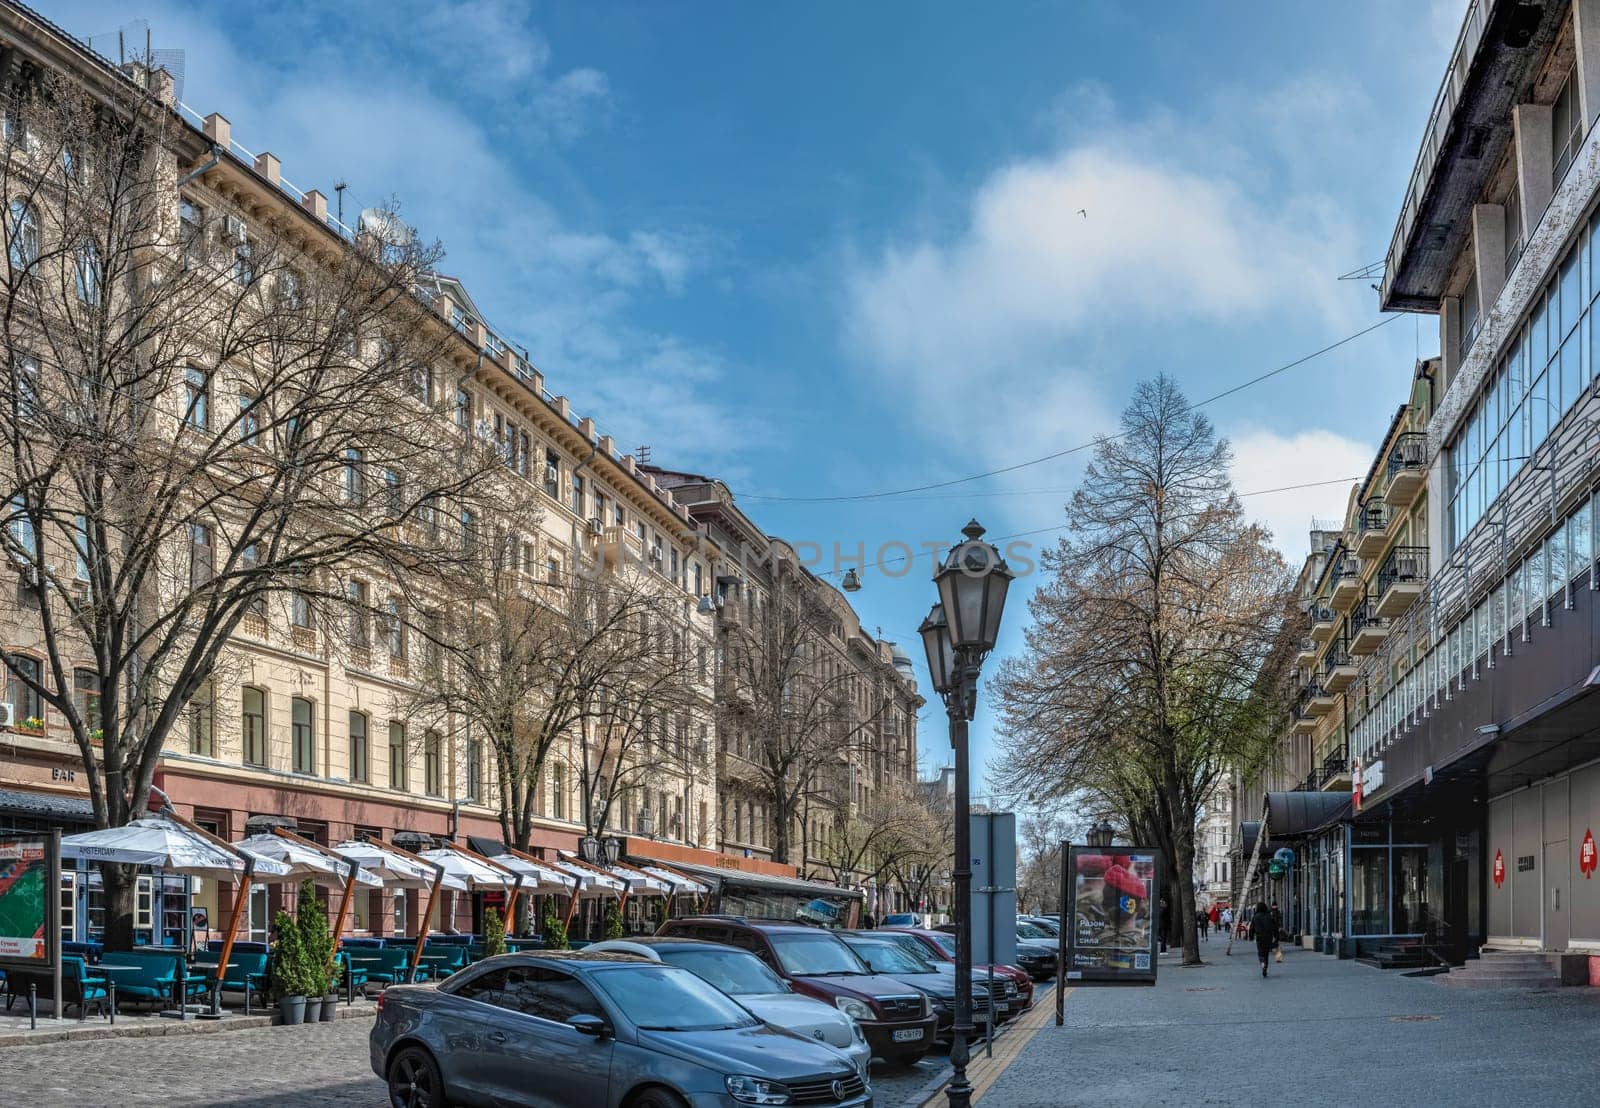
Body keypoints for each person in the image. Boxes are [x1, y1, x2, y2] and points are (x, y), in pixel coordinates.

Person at [1248, 901, 1278, 977]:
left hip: (1259, 937)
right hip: (1268, 937)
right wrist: (1276, 936)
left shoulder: (1255, 916)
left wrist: (1251, 936)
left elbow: (1252, 928)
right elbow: (1275, 927)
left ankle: (1262, 964)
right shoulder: (1269, 916)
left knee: (1260, 953)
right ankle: (1265, 968)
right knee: (1266, 954)